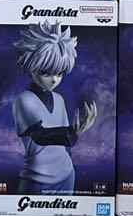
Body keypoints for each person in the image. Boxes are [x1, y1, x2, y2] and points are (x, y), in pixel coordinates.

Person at [12, 21, 96, 193]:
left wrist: (73, 134)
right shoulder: (24, 100)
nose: (54, 79)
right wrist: (72, 132)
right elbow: (40, 135)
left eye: (59, 73)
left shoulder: (59, 99)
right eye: (45, 72)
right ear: (30, 67)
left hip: (67, 174)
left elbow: (65, 145)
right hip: (36, 178)